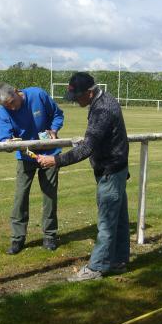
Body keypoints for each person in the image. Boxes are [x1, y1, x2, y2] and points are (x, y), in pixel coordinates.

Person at [37, 72, 130, 281]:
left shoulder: (103, 109)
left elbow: (88, 147)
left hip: (111, 171)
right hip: (117, 168)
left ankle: (96, 268)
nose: (75, 101)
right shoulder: (103, 102)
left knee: (106, 221)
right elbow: (100, 140)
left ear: (89, 92)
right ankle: (119, 261)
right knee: (120, 219)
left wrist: (56, 160)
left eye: (77, 96)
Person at [0, 82, 64, 255]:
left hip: (50, 153)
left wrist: (54, 130)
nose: (11, 108)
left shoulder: (38, 95)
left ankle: (49, 236)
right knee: (20, 196)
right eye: (6, 105)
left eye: (12, 102)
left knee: (49, 195)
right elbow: (4, 137)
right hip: (25, 156)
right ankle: (17, 239)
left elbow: (57, 114)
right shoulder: (4, 110)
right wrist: (8, 143)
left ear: (18, 92)